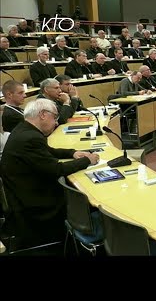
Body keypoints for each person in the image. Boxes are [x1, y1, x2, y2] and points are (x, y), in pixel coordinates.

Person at [0, 98, 99, 249]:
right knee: (86, 193)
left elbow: (48, 152)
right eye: (55, 117)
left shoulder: (24, 129)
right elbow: (56, 170)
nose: (56, 122)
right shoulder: (30, 138)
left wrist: (73, 153)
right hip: (35, 203)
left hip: (23, 192)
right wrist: (87, 160)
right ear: (43, 115)